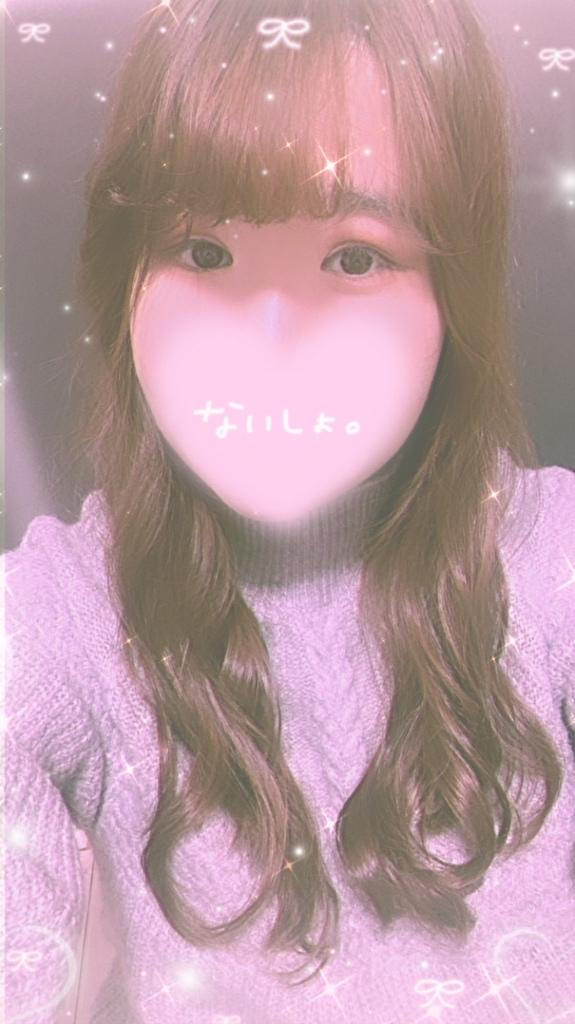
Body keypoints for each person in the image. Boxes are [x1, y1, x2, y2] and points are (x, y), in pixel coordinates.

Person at [3, 0, 575, 1021]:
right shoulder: (59, 616)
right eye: (202, 252)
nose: (269, 338)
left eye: (354, 257)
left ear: (451, 292)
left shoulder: (552, 563)